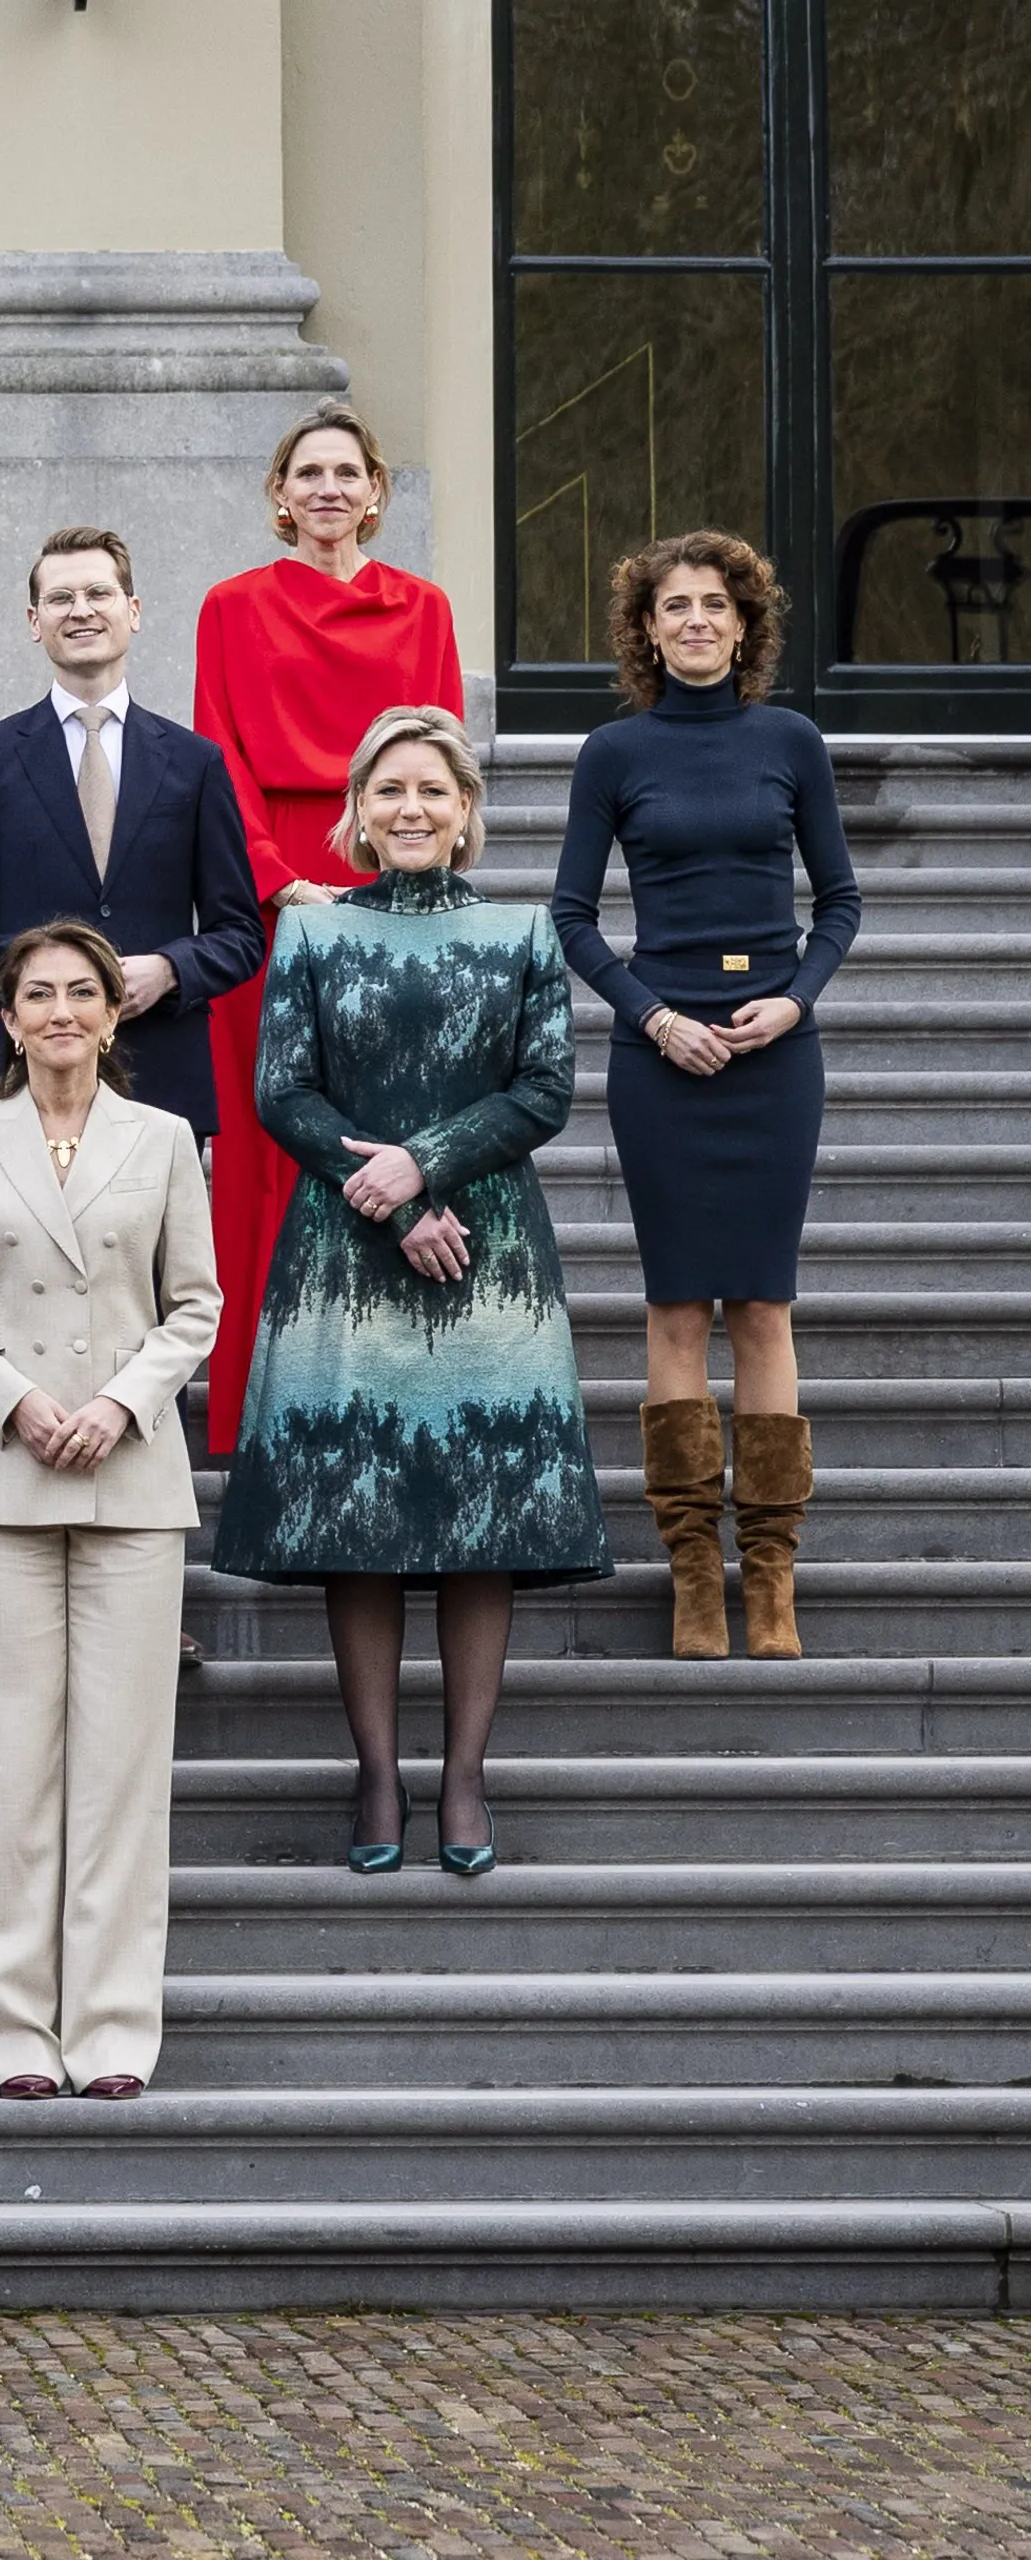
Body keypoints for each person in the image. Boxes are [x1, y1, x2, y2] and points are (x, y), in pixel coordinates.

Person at [217, 709, 609, 1876]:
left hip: (490, 1255)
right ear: (357, 808)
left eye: (432, 790)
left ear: (466, 806)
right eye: (389, 789)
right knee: (363, 1523)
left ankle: (466, 1776)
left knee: (480, 1519)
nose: (411, 809)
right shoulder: (317, 934)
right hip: (345, 1253)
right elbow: (281, 1089)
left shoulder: (523, 929)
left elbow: (546, 1089)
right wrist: (383, 1189)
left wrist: (427, 1162)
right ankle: (378, 1771)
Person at [0, 922, 220, 2102]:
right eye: (40, 994)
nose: (65, 1011)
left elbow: (196, 1305)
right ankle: (9, 2032)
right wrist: (18, 1400)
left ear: (115, 1012)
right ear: (9, 1016)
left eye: (85, 990)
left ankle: (116, 2028)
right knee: (3, 1766)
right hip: (1, 1472)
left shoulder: (166, 1137)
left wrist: (123, 1404)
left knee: (124, 1765)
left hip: (131, 1476)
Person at [549, 532, 860, 1663]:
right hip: (661, 1054)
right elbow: (572, 915)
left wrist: (794, 1000)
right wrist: (653, 1018)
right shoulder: (612, 752)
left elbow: (840, 900)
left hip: (775, 1054)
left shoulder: (792, 740)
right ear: (646, 628)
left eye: (713, 605)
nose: (692, 621)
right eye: (672, 605)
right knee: (677, 1307)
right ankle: (692, 1570)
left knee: (764, 1307)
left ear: (744, 624)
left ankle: (769, 1573)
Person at [191, 398, 464, 1452]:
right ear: (279, 494)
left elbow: (439, 768)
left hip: (391, 869)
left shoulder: (426, 608)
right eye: (308, 474)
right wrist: (279, 884)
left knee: (401, 1112)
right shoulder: (230, 606)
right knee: (273, 1143)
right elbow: (221, 757)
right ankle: (269, 1396)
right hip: (278, 899)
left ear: (377, 492)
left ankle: (399, 1377)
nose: (329, 491)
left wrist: (403, 874)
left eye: (348, 473)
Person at [0, 528, 264, 1133]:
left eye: (99, 592)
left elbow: (240, 933)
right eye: (60, 598)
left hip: (161, 1075)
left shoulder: (196, 762)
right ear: (34, 619)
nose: (81, 611)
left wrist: (172, 969)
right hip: (22, 1077)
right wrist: (37, 973)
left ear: (133, 611)